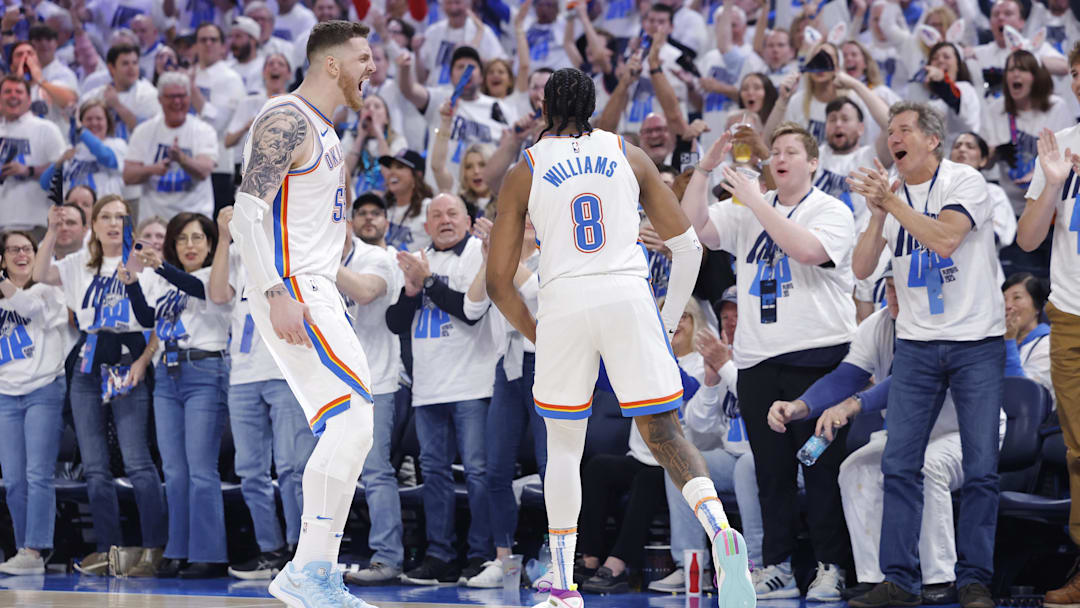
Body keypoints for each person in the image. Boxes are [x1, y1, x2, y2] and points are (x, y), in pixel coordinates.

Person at [487, 67, 753, 608]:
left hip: (564, 302)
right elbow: (688, 248)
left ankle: (563, 585)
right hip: (628, 296)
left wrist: (537, 333)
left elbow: (497, 283)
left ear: (545, 110)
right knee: (665, 433)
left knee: (564, 447)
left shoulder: (525, 169)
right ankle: (722, 531)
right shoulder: (628, 153)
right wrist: (666, 320)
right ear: (593, 109)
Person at [228, 20, 380, 608]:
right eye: (363, 57)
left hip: (314, 285)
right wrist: (274, 291)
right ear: (332, 64)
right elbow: (246, 213)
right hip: (293, 288)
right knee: (353, 422)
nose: (373, 67)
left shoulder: (323, 128)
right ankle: (308, 571)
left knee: (349, 426)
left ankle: (315, 571)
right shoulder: (286, 119)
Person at [682, 122, 856, 601]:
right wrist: (704, 170)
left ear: (813, 163)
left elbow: (807, 250)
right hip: (759, 360)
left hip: (818, 357)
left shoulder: (831, 210)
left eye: (791, 151)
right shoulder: (747, 209)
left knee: (820, 467)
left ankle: (830, 565)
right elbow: (694, 226)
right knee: (771, 472)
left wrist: (756, 201)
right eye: (774, 151)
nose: (779, 157)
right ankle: (778, 565)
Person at [847, 101, 1004, 608]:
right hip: (915, 343)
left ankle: (974, 579)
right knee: (898, 463)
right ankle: (899, 579)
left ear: (933, 139)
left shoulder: (964, 181)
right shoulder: (891, 199)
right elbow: (861, 268)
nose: (894, 138)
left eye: (905, 130)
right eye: (890, 132)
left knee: (980, 468)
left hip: (975, 341)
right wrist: (877, 215)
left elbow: (945, 239)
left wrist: (891, 204)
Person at [31, 196, 167, 577]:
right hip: (88, 360)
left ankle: (154, 547)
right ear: (94, 223)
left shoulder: (146, 263)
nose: (112, 223)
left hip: (128, 359)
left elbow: (159, 322)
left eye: (119, 217)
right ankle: (110, 549)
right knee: (94, 467)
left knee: (137, 460)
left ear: (129, 223)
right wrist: (52, 231)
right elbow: (39, 273)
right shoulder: (80, 263)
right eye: (104, 216)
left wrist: (143, 362)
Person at [385, 193, 496, 586]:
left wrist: (428, 281)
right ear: (427, 224)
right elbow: (396, 323)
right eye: (437, 215)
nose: (445, 220)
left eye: (453, 213)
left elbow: (469, 312)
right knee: (433, 474)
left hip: (473, 384)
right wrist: (411, 291)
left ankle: (482, 555)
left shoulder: (479, 254)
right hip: (428, 388)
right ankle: (439, 555)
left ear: (467, 220)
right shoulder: (418, 259)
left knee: (478, 473)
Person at [208, 207, 317, 581]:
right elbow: (218, 294)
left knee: (291, 467)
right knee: (250, 470)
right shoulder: (238, 251)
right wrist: (224, 238)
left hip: (286, 369)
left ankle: (299, 550)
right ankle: (270, 549)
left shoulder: (293, 245)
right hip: (243, 374)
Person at [126, 212, 232, 578]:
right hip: (167, 374)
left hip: (204, 371)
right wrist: (132, 283)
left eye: (197, 237)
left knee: (201, 468)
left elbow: (202, 291)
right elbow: (148, 318)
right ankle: (178, 550)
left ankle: (209, 554)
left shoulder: (217, 273)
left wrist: (160, 267)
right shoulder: (164, 280)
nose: (189, 245)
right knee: (174, 469)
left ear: (210, 243)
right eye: (182, 238)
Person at [1018, 48, 1080, 602]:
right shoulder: (1057, 146)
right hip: (1070, 313)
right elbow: (1029, 239)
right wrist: (1055, 183)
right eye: (1076, 74)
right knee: (1078, 451)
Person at [651, 289, 759, 594]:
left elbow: (759, 406)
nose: (731, 322)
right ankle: (691, 565)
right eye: (725, 317)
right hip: (730, 456)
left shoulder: (763, 358)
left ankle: (757, 566)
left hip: (765, 459)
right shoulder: (717, 360)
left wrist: (725, 367)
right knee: (680, 464)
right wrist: (711, 382)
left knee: (747, 467)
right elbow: (699, 424)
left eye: (738, 316)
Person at [335, 221, 406, 586]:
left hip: (375, 381)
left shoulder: (376, 257)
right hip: (331, 383)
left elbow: (365, 292)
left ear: (346, 225)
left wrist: (317, 259)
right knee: (326, 471)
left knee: (376, 472)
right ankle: (319, 557)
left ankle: (387, 558)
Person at [0, 231, 67, 575]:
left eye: (27, 248)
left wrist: (2, 282)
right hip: (5, 395)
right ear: (3, 258)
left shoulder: (48, 288)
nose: (21, 254)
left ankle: (34, 549)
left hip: (43, 389)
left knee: (37, 474)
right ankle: (23, 551)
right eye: (13, 249)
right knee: (13, 479)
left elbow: (31, 308)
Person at [123, 72, 219, 221]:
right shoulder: (144, 131)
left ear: (189, 98)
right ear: (160, 99)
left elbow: (204, 170)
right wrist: (153, 169)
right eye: (171, 97)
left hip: (195, 218)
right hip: (154, 221)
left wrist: (182, 159)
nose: (177, 102)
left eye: (181, 96)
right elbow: (128, 176)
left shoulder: (203, 130)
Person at [0, 75, 68, 235]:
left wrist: (29, 170)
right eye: (7, 91)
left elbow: (63, 169)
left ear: (29, 99)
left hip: (35, 221)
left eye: (18, 92)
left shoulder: (46, 129)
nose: (13, 96)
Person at [190, 23, 245, 212]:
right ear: (195, 45)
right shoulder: (190, 74)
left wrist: (191, 89)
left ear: (223, 46)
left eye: (213, 40)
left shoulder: (230, 78)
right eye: (203, 40)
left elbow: (218, 124)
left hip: (218, 165)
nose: (208, 44)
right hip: (186, 161)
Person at [40, 99, 127, 200]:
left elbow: (106, 157)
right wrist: (59, 162)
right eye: (88, 119)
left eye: (99, 118)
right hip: (72, 207)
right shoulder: (71, 150)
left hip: (104, 207)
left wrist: (81, 131)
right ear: (81, 121)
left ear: (107, 122)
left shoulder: (117, 144)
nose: (94, 123)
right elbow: (45, 184)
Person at [80, 43, 160, 142]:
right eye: (125, 64)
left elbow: (149, 132)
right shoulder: (94, 96)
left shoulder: (149, 94)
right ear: (111, 68)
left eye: (135, 63)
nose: (131, 68)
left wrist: (117, 106)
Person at [343, 94, 406, 197]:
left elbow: (392, 175)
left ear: (387, 119)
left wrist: (379, 134)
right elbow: (343, 174)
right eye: (366, 107)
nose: (371, 109)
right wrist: (360, 138)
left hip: (388, 197)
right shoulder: (350, 137)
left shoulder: (398, 140)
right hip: (355, 197)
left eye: (377, 106)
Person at [1002, 272, 1053, 397]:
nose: (1008, 306)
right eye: (1004, 299)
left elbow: (1023, 395)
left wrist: (1009, 341)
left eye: (1017, 298)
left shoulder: (1049, 345)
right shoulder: (994, 344)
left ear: (1037, 307)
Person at [380, 150, 434, 251]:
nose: (391, 172)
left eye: (400, 167)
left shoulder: (429, 208)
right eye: (390, 168)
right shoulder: (382, 207)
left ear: (417, 175)